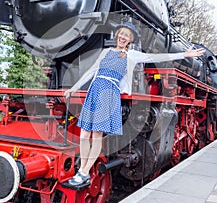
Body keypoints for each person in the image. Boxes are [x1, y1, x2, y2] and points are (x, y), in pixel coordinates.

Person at [64, 22, 205, 186]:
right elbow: (91, 72)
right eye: (121, 34)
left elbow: (156, 58)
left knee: (96, 136)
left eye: (127, 36)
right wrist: (73, 89)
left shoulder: (131, 55)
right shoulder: (105, 52)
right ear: (117, 35)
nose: (123, 37)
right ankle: (83, 170)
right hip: (94, 91)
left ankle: (84, 171)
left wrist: (184, 55)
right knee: (84, 135)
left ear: (130, 40)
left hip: (109, 92)